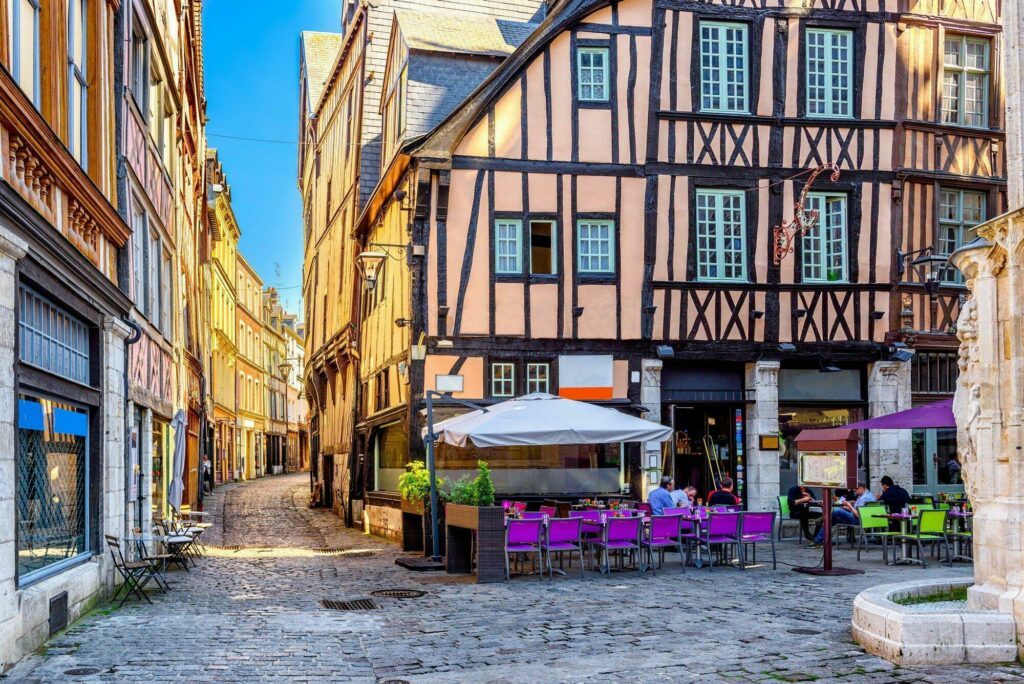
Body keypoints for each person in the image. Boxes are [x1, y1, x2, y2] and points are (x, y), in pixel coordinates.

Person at [810, 482, 876, 547]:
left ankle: (822, 519)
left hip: (859, 520)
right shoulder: (868, 495)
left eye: (855, 490)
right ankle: (819, 540)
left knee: (837, 510)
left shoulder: (865, 498)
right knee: (831, 520)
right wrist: (853, 504)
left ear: (861, 488)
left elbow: (859, 515)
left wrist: (849, 506)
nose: (854, 492)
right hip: (861, 518)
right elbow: (860, 509)